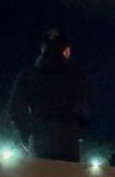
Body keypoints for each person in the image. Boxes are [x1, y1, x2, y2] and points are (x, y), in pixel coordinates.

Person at [9, 29, 90, 162]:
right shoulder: (76, 78)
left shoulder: (28, 76)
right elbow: (85, 110)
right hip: (67, 138)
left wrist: (27, 131)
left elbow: (16, 109)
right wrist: (76, 127)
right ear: (66, 50)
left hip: (39, 136)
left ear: (42, 49)